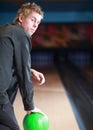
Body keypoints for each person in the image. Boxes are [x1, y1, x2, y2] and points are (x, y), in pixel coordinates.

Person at [0, 2, 45, 130]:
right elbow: (22, 75)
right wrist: (30, 106)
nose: (35, 25)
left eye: (38, 22)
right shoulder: (21, 34)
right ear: (21, 18)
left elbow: (4, 62)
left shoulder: (4, 30)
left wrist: (29, 70)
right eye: (33, 20)